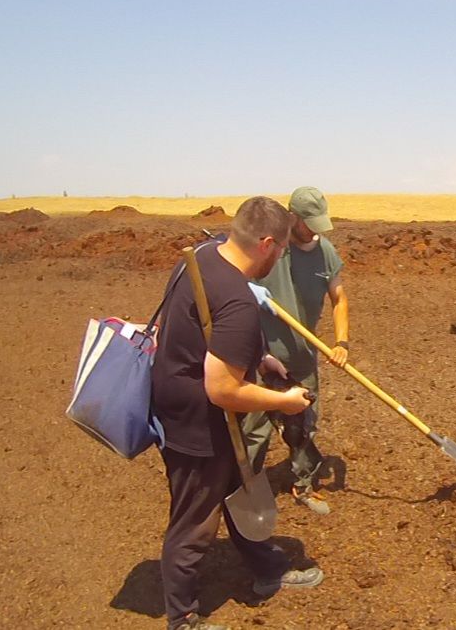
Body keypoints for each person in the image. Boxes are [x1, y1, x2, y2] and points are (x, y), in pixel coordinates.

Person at [151, 196, 322, 630]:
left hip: (182, 398)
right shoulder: (239, 303)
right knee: (193, 520)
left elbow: (202, 328)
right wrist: (284, 402)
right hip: (193, 419)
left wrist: (259, 356)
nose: (282, 254)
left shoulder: (204, 255)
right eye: (281, 248)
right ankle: (182, 618)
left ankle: (267, 567)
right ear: (266, 243)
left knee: (238, 485)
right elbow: (223, 388)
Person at [243, 186, 349, 516]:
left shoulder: (326, 252)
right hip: (261, 356)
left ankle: (303, 484)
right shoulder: (271, 247)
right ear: (292, 218)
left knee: (303, 425)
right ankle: (243, 489)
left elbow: (339, 299)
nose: (315, 231)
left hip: (303, 357)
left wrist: (341, 342)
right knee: (254, 430)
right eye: (309, 223)